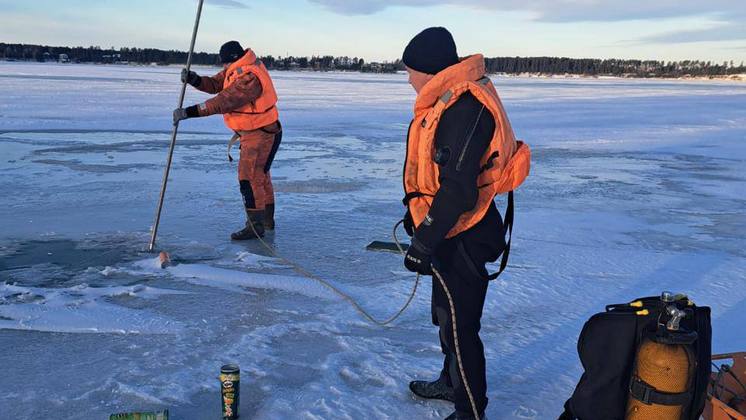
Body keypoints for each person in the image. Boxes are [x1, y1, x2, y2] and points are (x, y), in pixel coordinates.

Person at [400, 27, 530, 419]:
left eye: (410, 70)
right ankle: (450, 381)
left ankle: (470, 409)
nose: (407, 79)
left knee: (461, 328)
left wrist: (425, 242)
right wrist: (417, 218)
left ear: (427, 69)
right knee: (445, 314)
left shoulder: (465, 108)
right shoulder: (447, 100)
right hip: (447, 228)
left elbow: (458, 191)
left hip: (465, 233)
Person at [173, 40, 282, 240]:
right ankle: (266, 220)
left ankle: (256, 226)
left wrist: (189, 112)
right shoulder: (239, 67)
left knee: (249, 178)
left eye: (224, 63)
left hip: (261, 133)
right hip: (257, 131)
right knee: (260, 176)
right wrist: (194, 79)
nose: (223, 67)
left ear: (231, 59)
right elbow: (217, 84)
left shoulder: (249, 77)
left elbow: (223, 101)